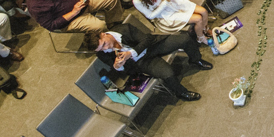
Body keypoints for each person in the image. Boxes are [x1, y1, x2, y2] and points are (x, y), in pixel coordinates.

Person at [82, 25, 210, 102]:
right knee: (167, 73)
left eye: (104, 44)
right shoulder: (101, 53)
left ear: (103, 34)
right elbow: (118, 68)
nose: (105, 48)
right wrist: (117, 66)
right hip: (142, 62)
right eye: (101, 49)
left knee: (185, 39)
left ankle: (195, 59)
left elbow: (146, 39)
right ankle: (181, 93)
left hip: (151, 47)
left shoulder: (124, 29)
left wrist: (131, 53)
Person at [131, 0, 209, 43]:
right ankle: (200, 38)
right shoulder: (137, 1)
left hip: (172, 3)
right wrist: (165, 2)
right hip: (164, 15)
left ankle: (205, 30)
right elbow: (150, 16)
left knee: (204, 11)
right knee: (198, 18)